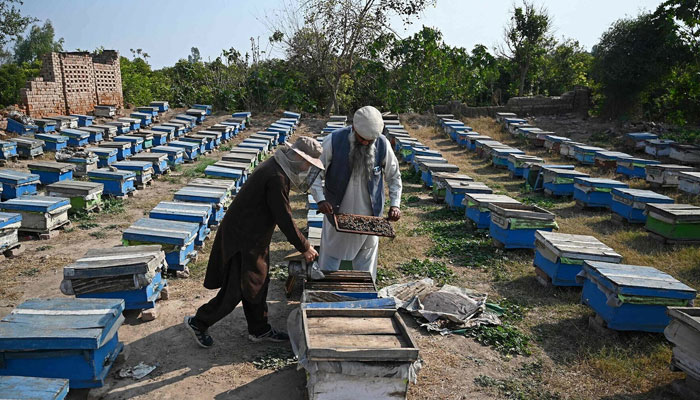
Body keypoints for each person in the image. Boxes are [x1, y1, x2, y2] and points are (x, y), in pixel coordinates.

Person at [185, 137, 323, 348]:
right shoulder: (276, 176)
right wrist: (305, 246)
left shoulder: (277, 167)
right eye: (308, 163)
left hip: (254, 237)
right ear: (297, 157)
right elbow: (284, 218)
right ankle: (199, 322)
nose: (307, 169)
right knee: (237, 289)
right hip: (243, 239)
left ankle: (259, 329)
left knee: (259, 281)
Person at [310, 106, 402, 280]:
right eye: (362, 139)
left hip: (370, 219)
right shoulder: (333, 141)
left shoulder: (382, 144)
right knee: (329, 261)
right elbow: (314, 173)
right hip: (337, 214)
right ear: (353, 128)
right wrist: (321, 200)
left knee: (365, 268)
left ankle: (363, 298)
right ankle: (325, 293)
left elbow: (394, 177)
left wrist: (395, 204)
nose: (366, 143)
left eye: (370, 140)